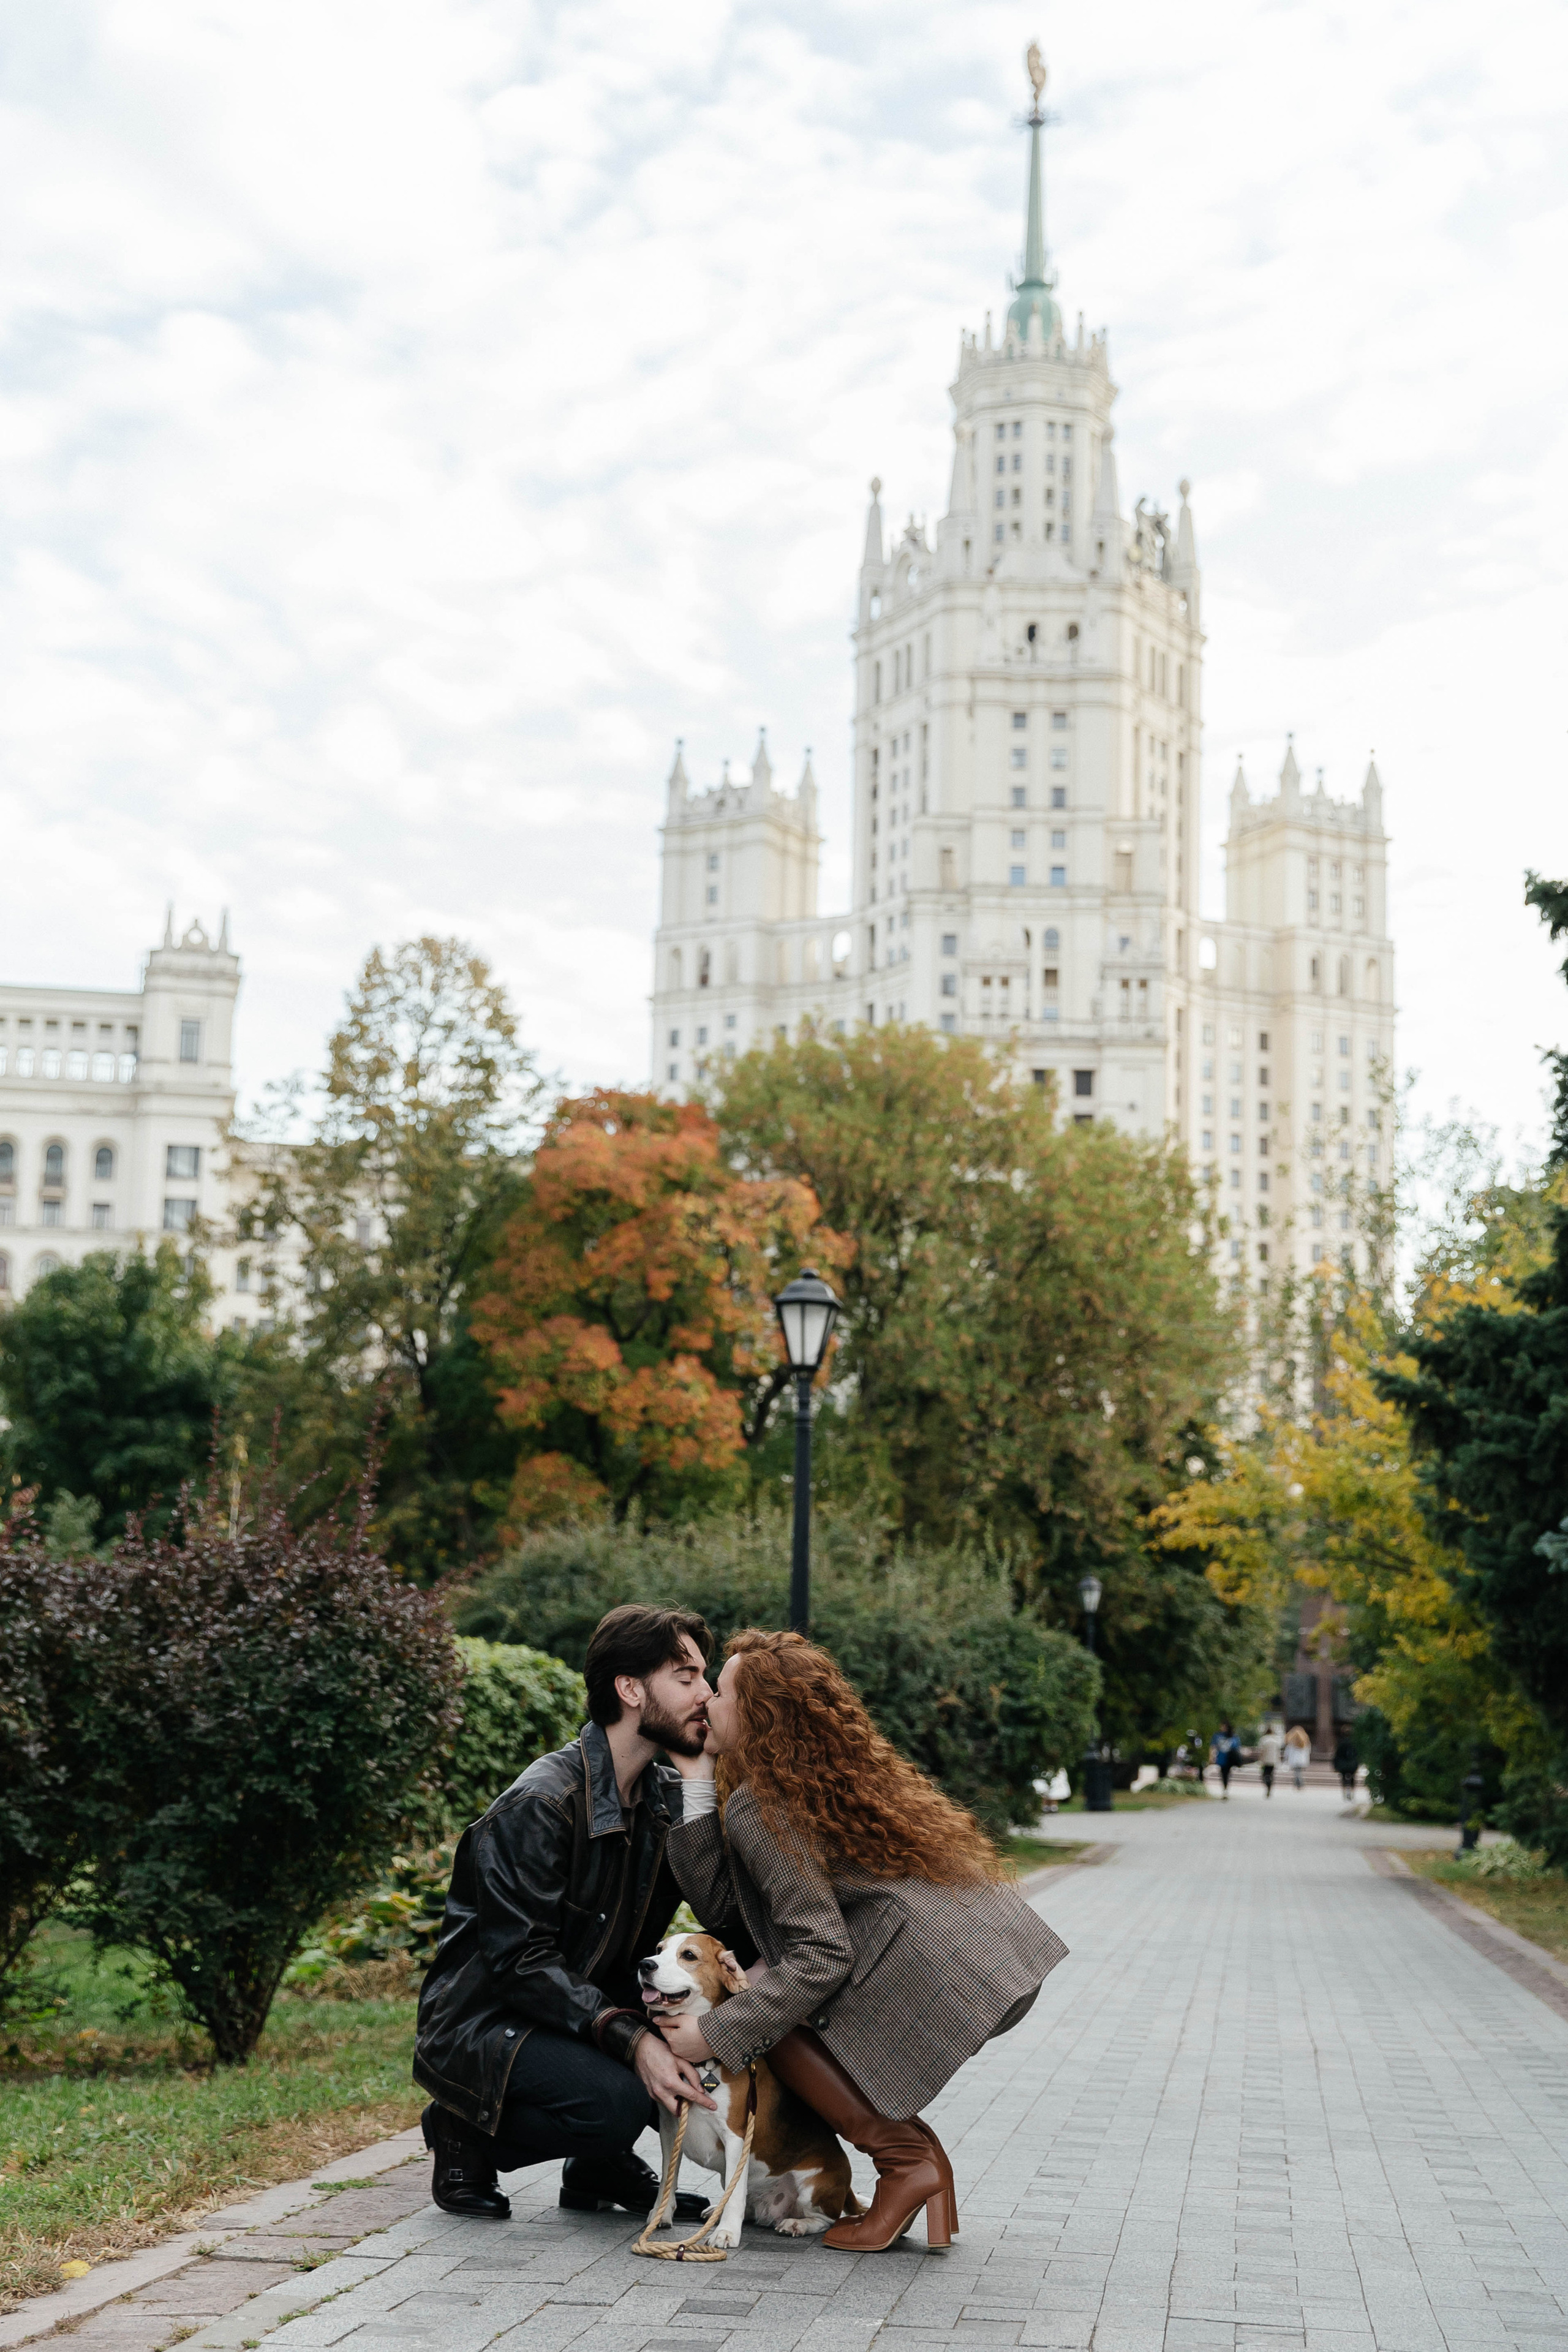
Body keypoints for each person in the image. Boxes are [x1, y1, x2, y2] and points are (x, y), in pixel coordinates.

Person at [653, 1628, 1067, 2253]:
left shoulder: (763, 1806)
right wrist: (695, 1777)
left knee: (777, 2018)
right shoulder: (799, 1780)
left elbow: (821, 1954)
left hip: (933, 1974)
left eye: (722, 1692)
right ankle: (921, 2166)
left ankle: (903, 2163)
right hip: (985, 1965)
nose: (707, 1701)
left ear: (758, 1714)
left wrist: (715, 2032)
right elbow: (724, 1907)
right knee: (773, 1995)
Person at [412, 1605, 723, 2222]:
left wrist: (700, 1787)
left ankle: (597, 2166)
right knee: (617, 2101)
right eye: (685, 1678)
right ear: (630, 1690)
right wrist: (633, 2039)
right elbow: (521, 1965)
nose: (707, 1695)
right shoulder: (541, 1804)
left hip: (575, 2007)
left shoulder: (663, 1798)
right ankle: (462, 2132)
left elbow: (722, 1915)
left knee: (696, 2021)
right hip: (488, 2019)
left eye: (705, 1678)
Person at [1211, 1721, 1242, 1799]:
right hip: (1221, 1758)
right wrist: (1212, 1757)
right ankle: (1225, 1789)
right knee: (1223, 1773)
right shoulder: (1217, 1736)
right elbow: (1213, 1747)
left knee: (1226, 1773)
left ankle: (1225, 1789)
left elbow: (1237, 1748)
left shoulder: (1234, 1737)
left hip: (1230, 1758)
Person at [1333, 1731, 1359, 1806]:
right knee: (1352, 1778)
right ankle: (1352, 1793)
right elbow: (1357, 1754)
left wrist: (1336, 1765)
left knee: (1344, 1778)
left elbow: (1337, 1755)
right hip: (1352, 1764)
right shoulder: (1354, 1743)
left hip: (1343, 1765)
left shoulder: (1341, 1743)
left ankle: (1344, 1793)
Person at [1283, 1725, 1311, 1790]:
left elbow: (1287, 1752)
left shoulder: (1292, 1743)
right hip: (1302, 1760)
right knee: (1298, 1772)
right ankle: (1298, 1783)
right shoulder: (1305, 1742)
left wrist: (1286, 1759)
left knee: (1297, 1772)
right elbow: (1309, 1751)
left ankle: (1299, 1783)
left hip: (1294, 1760)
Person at [1256, 1725, 1281, 1798]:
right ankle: (1270, 1785)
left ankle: (1268, 1784)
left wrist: (1260, 1759)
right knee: (1271, 1774)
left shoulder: (1264, 1740)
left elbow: (1261, 1751)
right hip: (1273, 1761)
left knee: (1265, 1775)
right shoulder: (1276, 1740)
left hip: (1265, 1760)